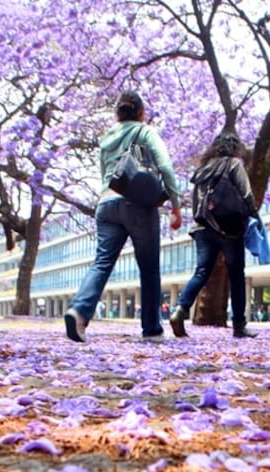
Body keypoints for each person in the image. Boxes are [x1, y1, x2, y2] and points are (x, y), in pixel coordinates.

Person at [65, 90, 183, 343]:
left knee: (102, 262)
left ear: (117, 114)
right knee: (149, 268)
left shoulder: (106, 139)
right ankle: (152, 330)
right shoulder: (144, 131)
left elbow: (104, 175)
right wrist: (175, 205)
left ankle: (78, 311)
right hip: (137, 204)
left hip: (106, 203)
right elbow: (165, 166)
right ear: (141, 113)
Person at [169, 132, 260, 339]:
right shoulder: (234, 164)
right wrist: (253, 215)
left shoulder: (203, 169)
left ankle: (180, 310)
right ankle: (239, 326)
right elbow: (246, 194)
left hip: (203, 227)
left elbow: (196, 203)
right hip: (229, 229)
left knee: (201, 272)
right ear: (235, 148)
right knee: (236, 275)